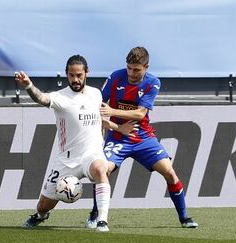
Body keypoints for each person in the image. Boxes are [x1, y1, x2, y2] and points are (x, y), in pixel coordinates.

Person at [15, 55, 136, 232]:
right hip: (67, 160)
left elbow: (99, 119)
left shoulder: (96, 94)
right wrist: (28, 86)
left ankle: (102, 221)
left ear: (87, 73)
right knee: (43, 206)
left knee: (100, 169)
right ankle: (41, 216)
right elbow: (41, 98)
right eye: (71, 75)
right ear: (66, 74)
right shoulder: (61, 97)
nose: (75, 79)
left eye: (79, 75)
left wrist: (117, 128)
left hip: (91, 154)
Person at [85, 47, 198, 229]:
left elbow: (140, 113)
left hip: (143, 137)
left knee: (170, 173)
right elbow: (95, 109)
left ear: (146, 67)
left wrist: (112, 111)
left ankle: (184, 218)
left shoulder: (153, 82)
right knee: (102, 170)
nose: (131, 73)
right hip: (117, 137)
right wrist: (116, 127)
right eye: (129, 68)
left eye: (136, 69)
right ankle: (95, 213)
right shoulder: (115, 77)